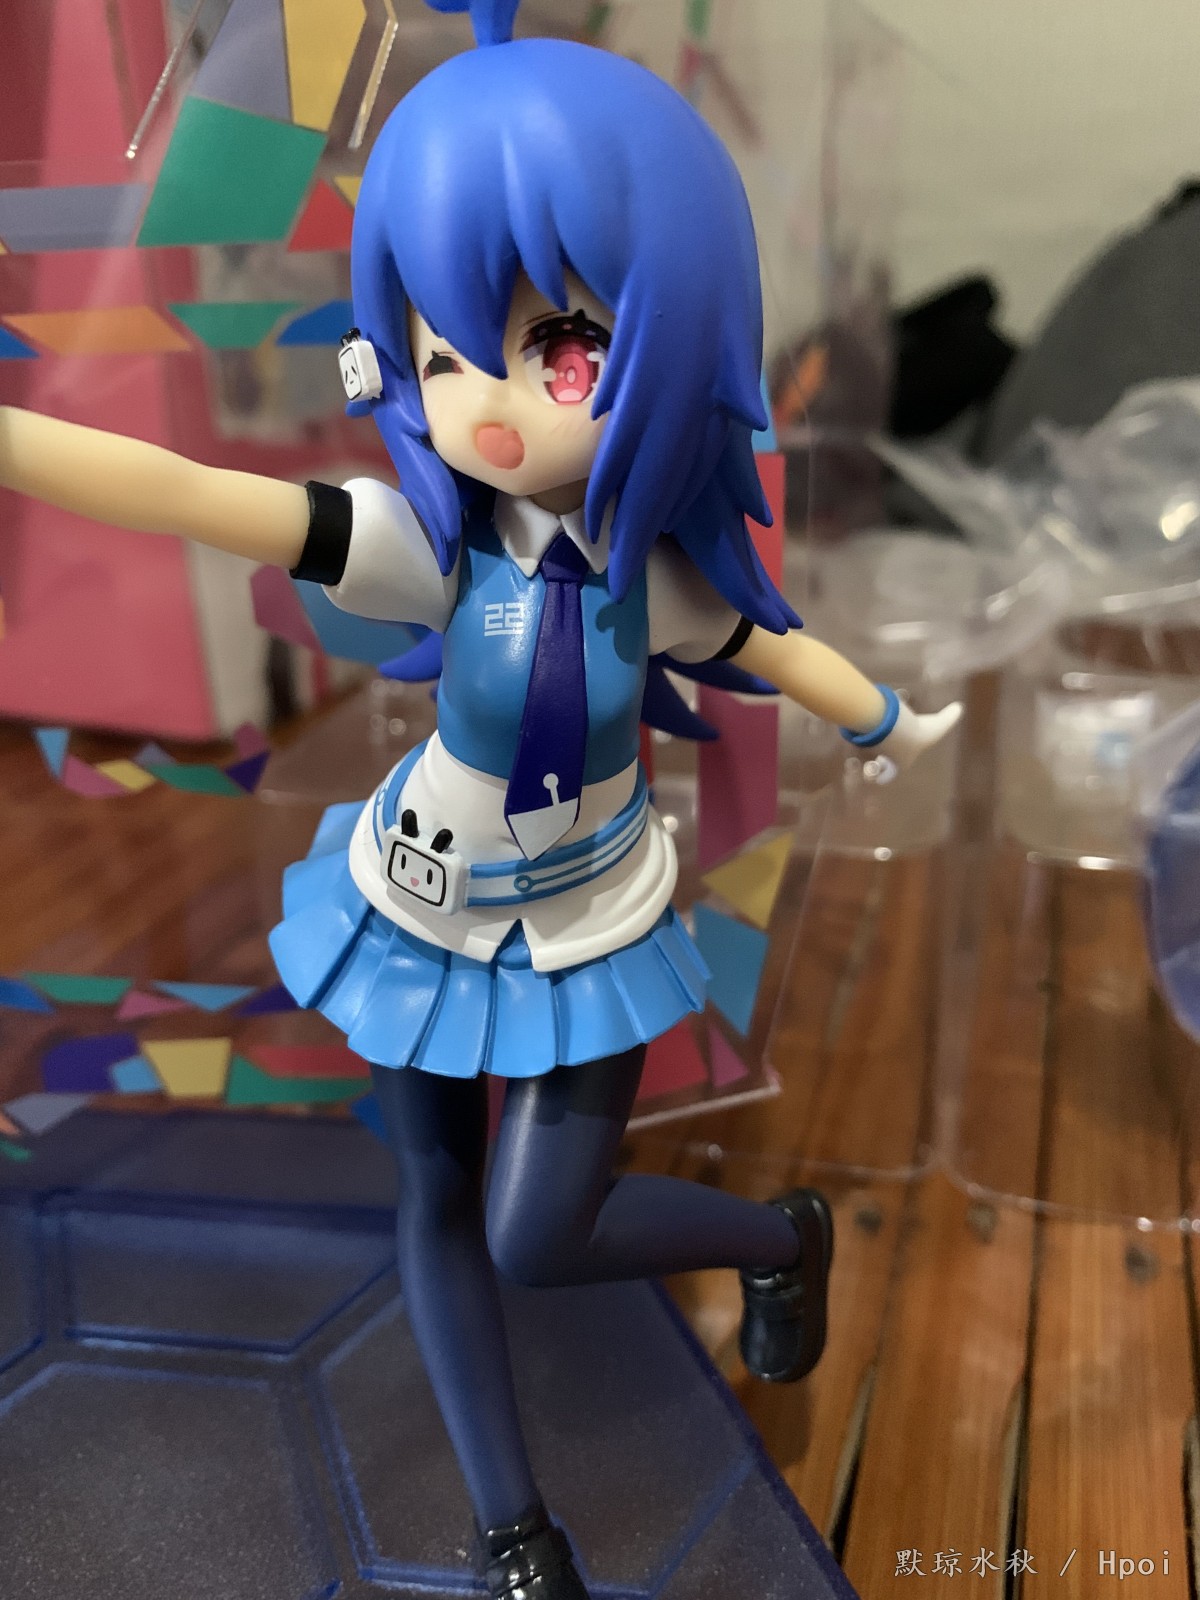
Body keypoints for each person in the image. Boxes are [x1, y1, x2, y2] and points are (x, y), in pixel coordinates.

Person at [0, 3, 959, 1593]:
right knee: (436, 1193)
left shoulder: (650, 575)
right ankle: (515, 1525)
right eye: (442, 353)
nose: (487, 404)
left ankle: (781, 1232)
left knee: (538, 1231)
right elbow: (190, 492)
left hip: (589, 918)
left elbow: (774, 646)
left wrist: (885, 722)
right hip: (422, 901)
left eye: (556, 345)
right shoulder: (427, 547)